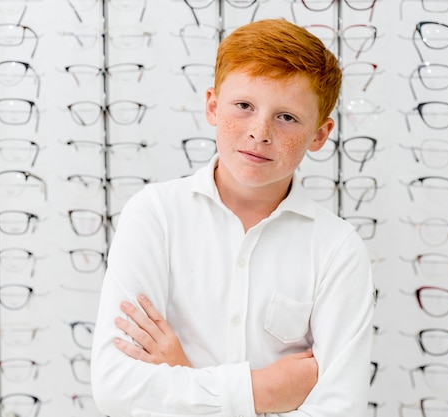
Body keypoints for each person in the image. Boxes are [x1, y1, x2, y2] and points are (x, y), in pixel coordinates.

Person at [91, 18, 375, 417]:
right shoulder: (154, 215)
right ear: (212, 105)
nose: (260, 132)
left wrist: (181, 375)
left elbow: (339, 410)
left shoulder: (336, 250)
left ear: (320, 135)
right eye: (244, 106)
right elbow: (116, 388)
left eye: (287, 117)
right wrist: (261, 390)